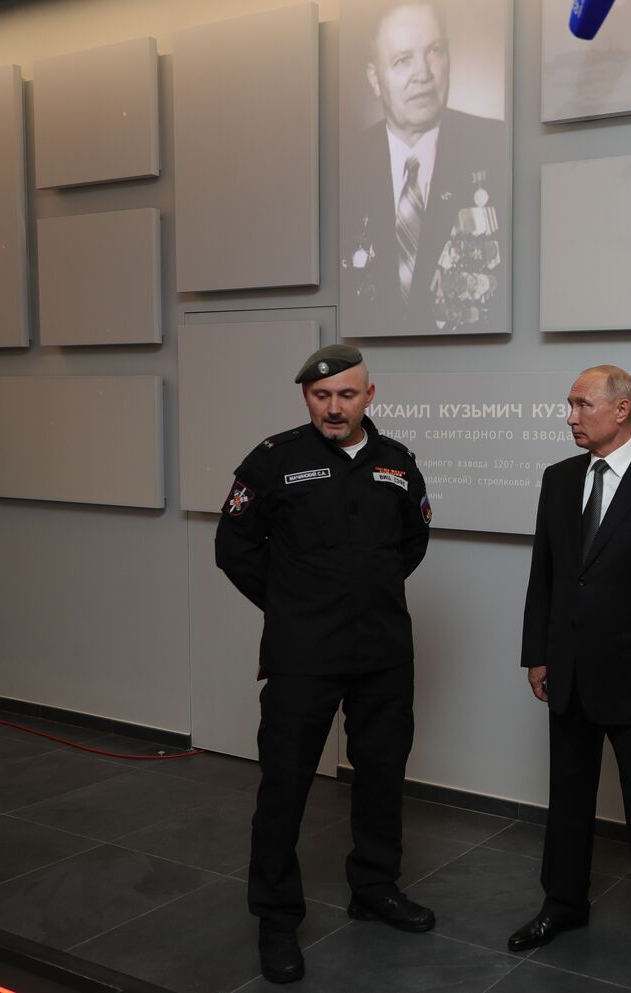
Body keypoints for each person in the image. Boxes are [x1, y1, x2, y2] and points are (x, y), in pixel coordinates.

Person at [215, 344, 436, 984]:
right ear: (306, 398)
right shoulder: (274, 460)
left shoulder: (397, 464)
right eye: (321, 395)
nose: (333, 407)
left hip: (383, 651)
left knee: (382, 775)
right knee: (285, 784)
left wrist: (366, 596)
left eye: (346, 394)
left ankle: (375, 886)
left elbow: (413, 542)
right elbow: (234, 546)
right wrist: (291, 605)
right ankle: (276, 916)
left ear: (370, 396)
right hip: (303, 653)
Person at [508, 365, 631, 992]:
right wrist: (537, 654)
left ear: (622, 410)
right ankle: (563, 905)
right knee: (568, 799)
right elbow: (546, 574)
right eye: (569, 404)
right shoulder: (558, 479)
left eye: (582, 404)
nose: (570, 416)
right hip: (567, 672)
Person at [341, 0, 509, 336]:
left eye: (434, 51)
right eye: (403, 60)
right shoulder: (346, 167)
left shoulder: (497, 147)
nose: (423, 74)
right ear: (375, 78)